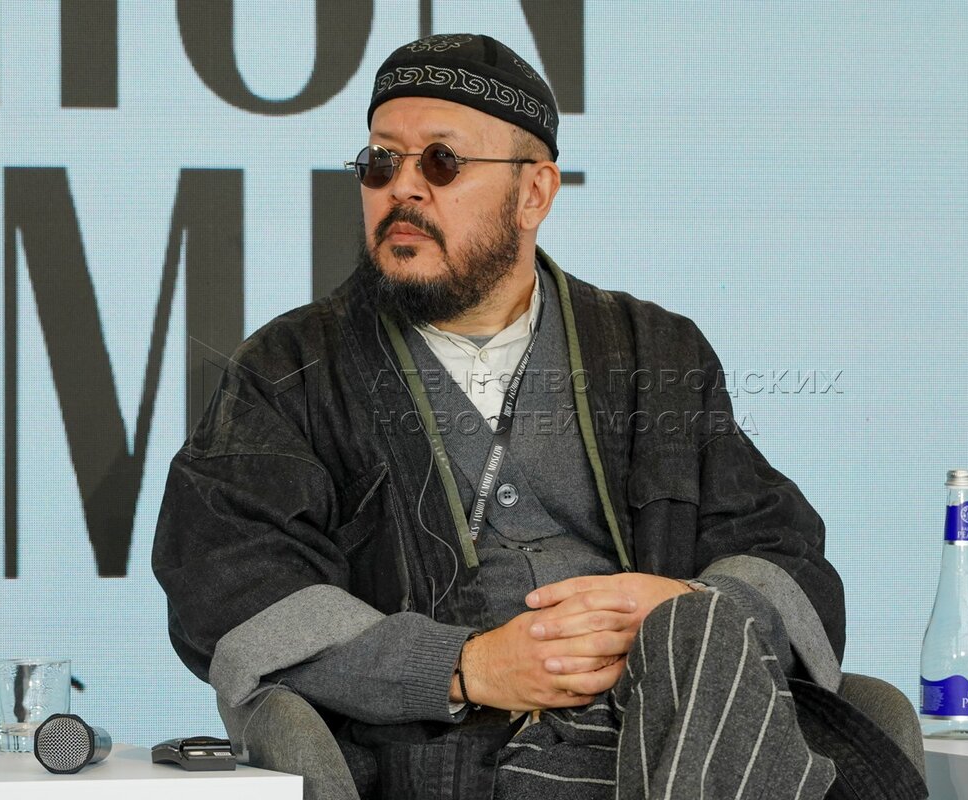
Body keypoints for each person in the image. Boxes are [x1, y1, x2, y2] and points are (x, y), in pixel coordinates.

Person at [153, 33, 925, 800]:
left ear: (534, 194)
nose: (402, 189)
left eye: (441, 162)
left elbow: (783, 551)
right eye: (381, 162)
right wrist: (465, 667)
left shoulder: (655, 351)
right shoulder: (289, 371)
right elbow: (229, 582)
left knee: (702, 626)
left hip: (670, 725)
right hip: (453, 761)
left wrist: (675, 607)